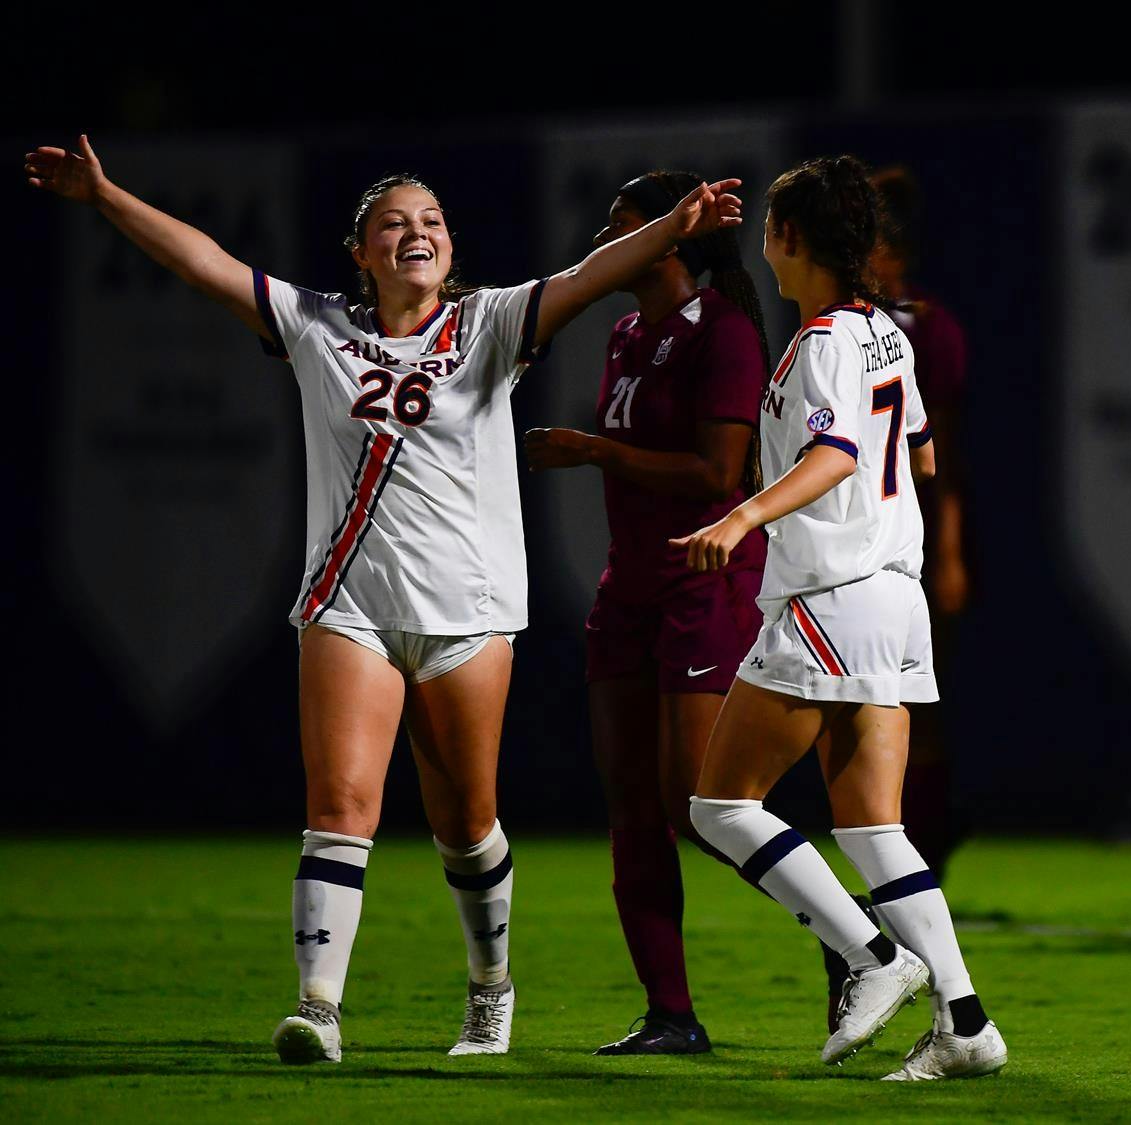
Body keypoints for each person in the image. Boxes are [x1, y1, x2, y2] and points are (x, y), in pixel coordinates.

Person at [25, 136, 742, 1061]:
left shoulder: (489, 322)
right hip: (347, 605)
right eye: (394, 224)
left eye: (433, 221)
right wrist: (108, 196)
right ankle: (319, 1007)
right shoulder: (317, 325)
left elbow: (585, 273)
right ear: (359, 251)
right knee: (341, 804)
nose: (418, 233)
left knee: (466, 822)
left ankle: (490, 987)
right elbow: (203, 261)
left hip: (469, 614)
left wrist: (671, 231)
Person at [672, 155, 1007, 1081]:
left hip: (833, 592)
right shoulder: (887, 335)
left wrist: (745, 513)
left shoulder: (823, 340)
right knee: (873, 827)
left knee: (721, 803)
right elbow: (925, 457)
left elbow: (834, 452)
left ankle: (875, 956)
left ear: (789, 238)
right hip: (896, 599)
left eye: (772, 227)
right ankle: (967, 1023)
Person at [522, 171, 770, 1053]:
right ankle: (671, 1012)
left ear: (671, 238)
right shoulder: (626, 332)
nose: (607, 236)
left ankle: (852, 939)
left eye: (624, 224)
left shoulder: (727, 330)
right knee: (629, 803)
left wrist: (594, 450)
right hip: (628, 585)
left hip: (706, 578)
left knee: (697, 802)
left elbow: (719, 474)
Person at [868, 166, 972, 879]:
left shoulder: (925, 329)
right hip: (858, 540)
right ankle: (903, 850)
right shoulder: (844, 322)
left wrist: (953, 550)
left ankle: (924, 843)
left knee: (912, 701)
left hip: (909, 540)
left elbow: (945, 451)